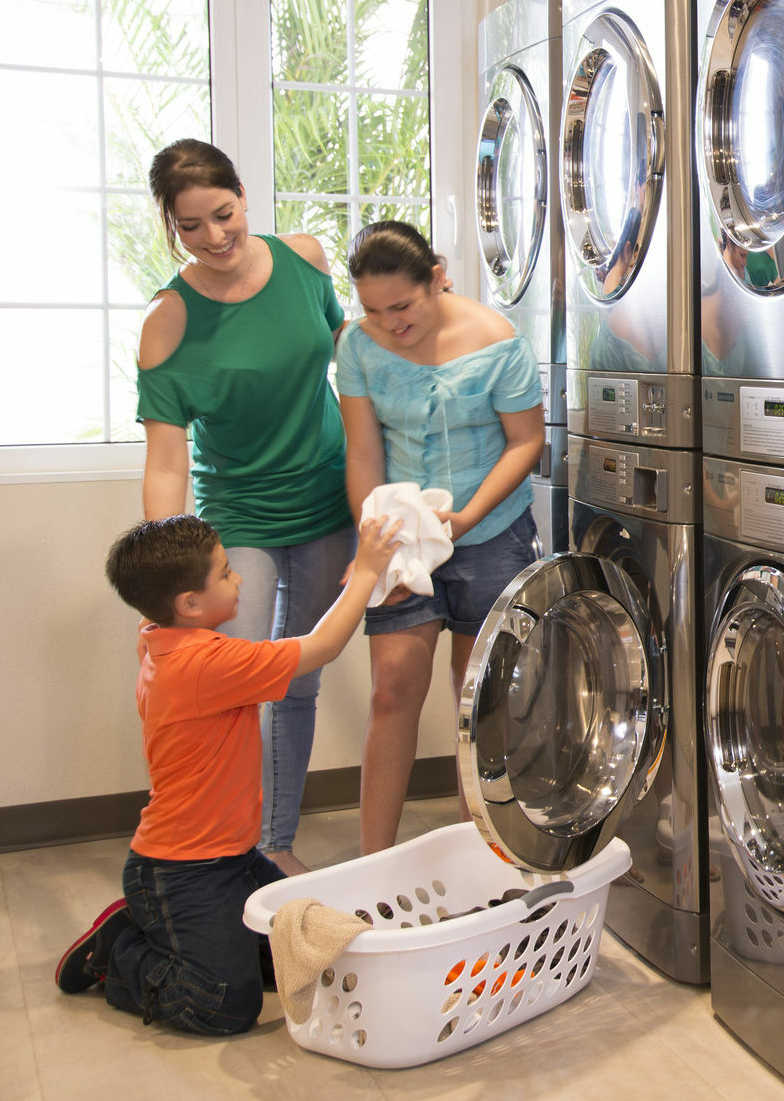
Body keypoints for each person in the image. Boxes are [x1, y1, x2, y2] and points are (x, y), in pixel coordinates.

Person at [56, 512, 403, 1035]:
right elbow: (322, 646)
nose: (237, 578)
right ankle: (119, 950)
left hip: (234, 859)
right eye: (224, 573)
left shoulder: (157, 637)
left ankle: (177, 936)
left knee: (303, 951)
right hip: (181, 873)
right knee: (224, 1005)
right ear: (188, 605)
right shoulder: (206, 664)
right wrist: (368, 571)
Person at [136, 139, 354, 876]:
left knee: (298, 679)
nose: (214, 237)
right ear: (172, 228)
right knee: (237, 687)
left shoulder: (304, 260)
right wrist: (164, 575)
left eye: (223, 214)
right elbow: (166, 462)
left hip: (329, 500)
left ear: (243, 196)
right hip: (240, 520)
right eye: (191, 226)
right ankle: (226, 848)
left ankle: (274, 842)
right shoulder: (168, 319)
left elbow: (349, 354)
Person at [335, 219, 545, 855]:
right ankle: (371, 867)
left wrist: (469, 516)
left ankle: (477, 858)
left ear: (437, 276)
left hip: (493, 532)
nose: (390, 323)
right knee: (392, 688)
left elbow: (526, 441)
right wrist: (371, 543)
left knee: (476, 700)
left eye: (402, 306)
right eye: (373, 310)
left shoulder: (496, 339)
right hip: (402, 538)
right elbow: (363, 455)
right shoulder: (358, 347)